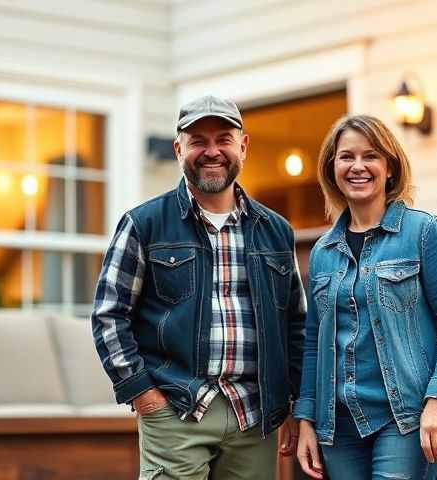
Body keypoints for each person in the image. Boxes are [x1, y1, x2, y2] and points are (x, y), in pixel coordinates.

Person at [91, 95, 306, 480]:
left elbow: (295, 324)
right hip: (176, 407)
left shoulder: (276, 231)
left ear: (243, 146)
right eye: (198, 141)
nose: (212, 152)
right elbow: (109, 315)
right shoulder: (144, 224)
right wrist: (144, 394)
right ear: (178, 149)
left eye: (223, 139)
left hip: (254, 417)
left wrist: (292, 401)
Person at [294, 115, 437, 479]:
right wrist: (306, 418)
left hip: (406, 419)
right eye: (346, 156)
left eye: (371, 156)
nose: (358, 166)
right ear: (332, 168)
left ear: (389, 167)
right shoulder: (322, 252)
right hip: (338, 428)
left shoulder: (424, 232)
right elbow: (314, 341)